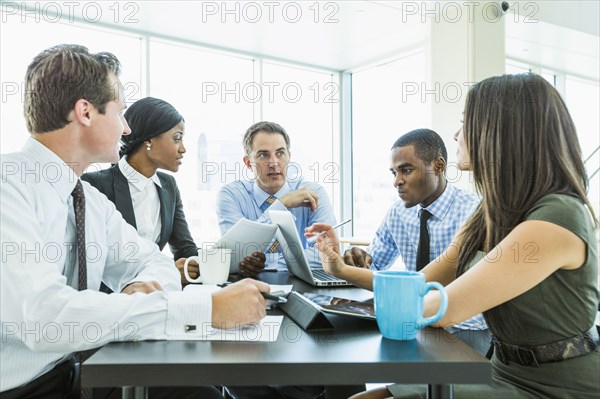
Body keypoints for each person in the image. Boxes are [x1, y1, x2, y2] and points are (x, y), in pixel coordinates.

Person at [0, 44, 269, 399]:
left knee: (200, 393)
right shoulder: (9, 184)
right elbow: (44, 319)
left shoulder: (88, 200)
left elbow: (154, 261)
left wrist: (138, 286)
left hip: (77, 371)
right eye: (120, 111)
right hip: (22, 389)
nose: (127, 128)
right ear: (85, 112)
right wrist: (206, 308)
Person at [307, 73, 599, 399]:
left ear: (501, 132)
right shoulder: (488, 214)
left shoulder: (557, 216)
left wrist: (364, 309)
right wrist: (339, 272)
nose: (457, 134)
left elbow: (441, 309)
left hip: (558, 388)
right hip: (501, 370)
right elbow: (416, 285)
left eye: (465, 123)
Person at [343, 129, 489, 355]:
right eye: (394, 173)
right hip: (413, 320)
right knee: (350, 348)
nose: (397, 182)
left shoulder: (474, 210)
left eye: (406, 170)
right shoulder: (399, 212)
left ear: (438, 166)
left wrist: (339, 271)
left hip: (462, 327)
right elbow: (374, 265)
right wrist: (357, 257)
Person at [82, 97, 199, 287]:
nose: (183, 149)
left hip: (154, 297)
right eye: (177, 138)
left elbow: (185, 249)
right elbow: (95, 262)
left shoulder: (168, 185)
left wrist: (222, 260)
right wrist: (169, 270)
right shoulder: (94, 185)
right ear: (149, 140)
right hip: (111, 304)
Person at [216, 121, 336, 278]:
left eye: (280, 153)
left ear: (289, 157)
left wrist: (266, 262)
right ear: (248, 163)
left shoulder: (313, 193)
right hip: (250, 288)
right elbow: (235, 254)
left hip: (303, 288)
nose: (274, 163)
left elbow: (326, 255)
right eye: (263, 155)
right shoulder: (231, 195)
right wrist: (282, 204)